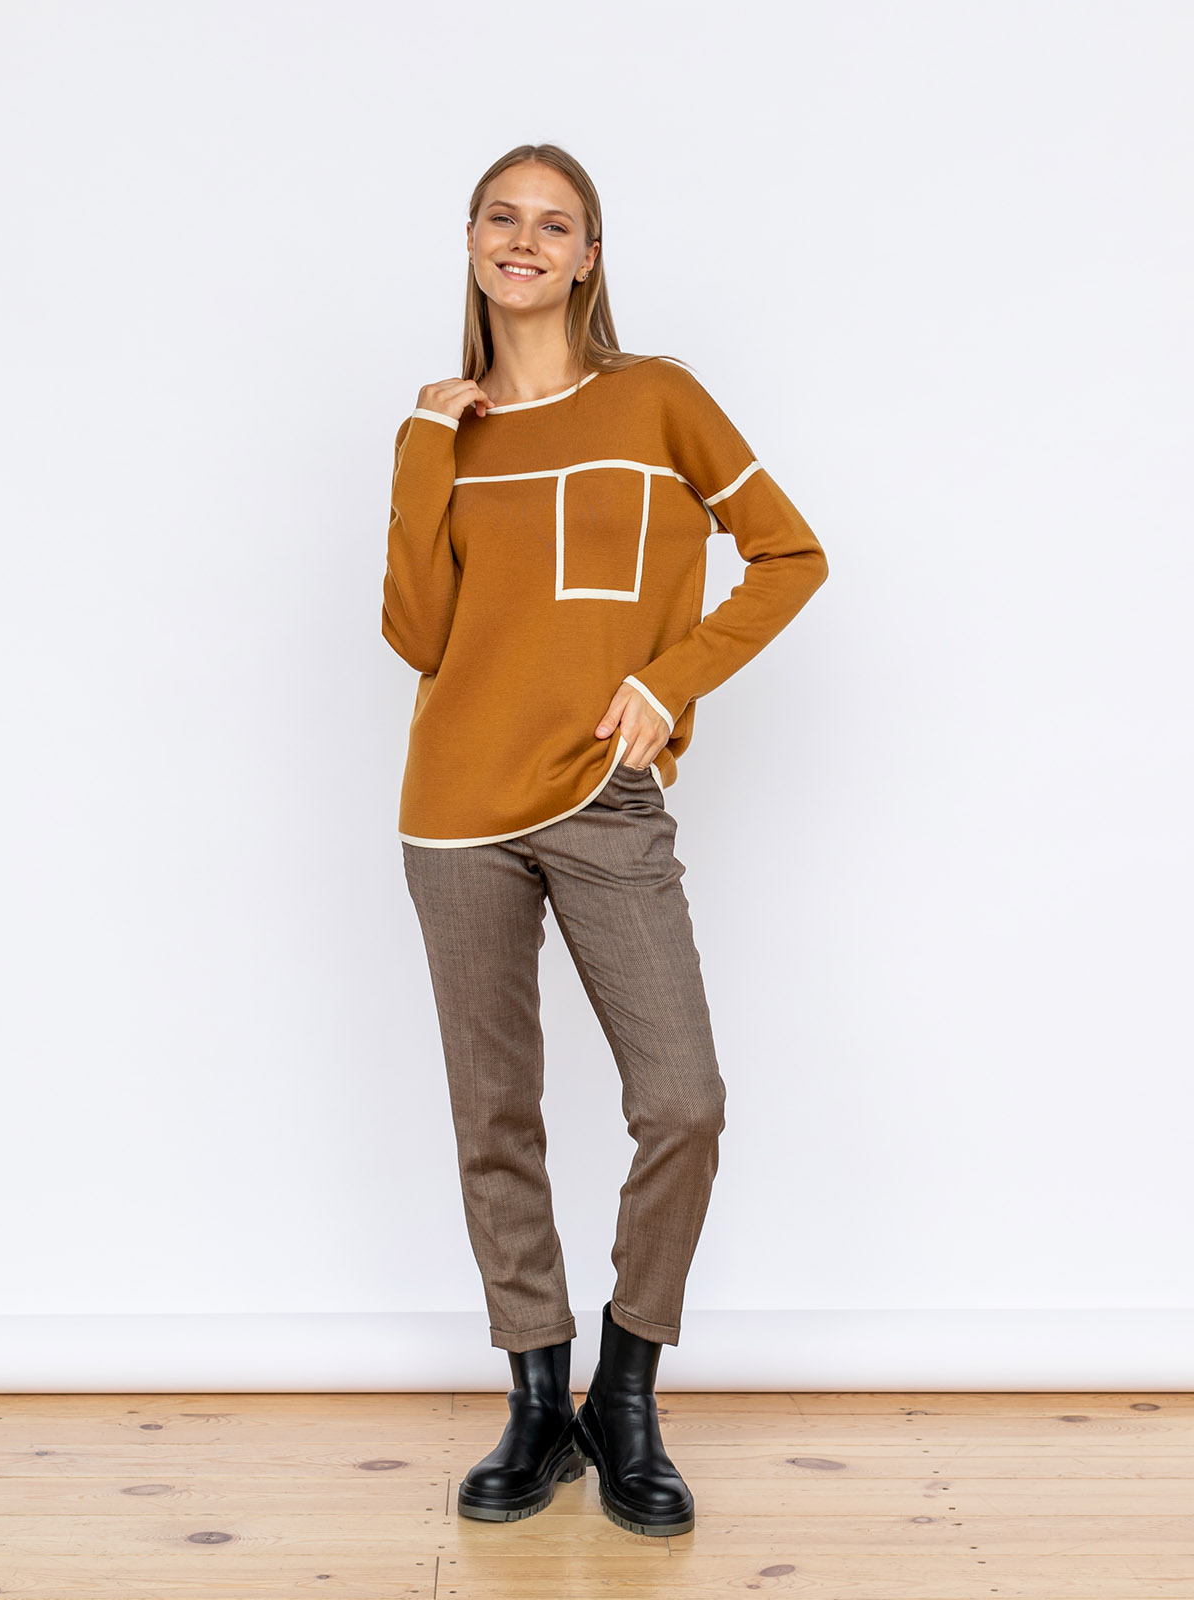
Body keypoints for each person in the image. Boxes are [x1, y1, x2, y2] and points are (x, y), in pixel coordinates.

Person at [382, 143, 829, 1538]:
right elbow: (417, 634)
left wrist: (670, 681)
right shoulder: (445, 432)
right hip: (456, 808)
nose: (524, 239)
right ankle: (537, 1399)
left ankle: (624, 1396)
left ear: (589, 257)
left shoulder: (657, 398)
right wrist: (424, 444)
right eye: (501, 217)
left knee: (682, 1099)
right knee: (494, 1116)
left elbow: (790, 554)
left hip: (605, 797)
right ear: (472, 241)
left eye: (554, 223)